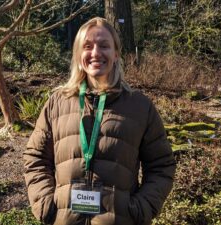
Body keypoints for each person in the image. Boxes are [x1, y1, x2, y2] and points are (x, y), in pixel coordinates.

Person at [23, 17, 176, 225]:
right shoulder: (57, 103)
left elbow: (162, 165)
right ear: (78, 55)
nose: (95, 53)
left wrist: (138, 210)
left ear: (116, 53)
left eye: (104, 45)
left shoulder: (140, 106)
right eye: (87, 46)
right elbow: (36, 158)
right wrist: (46, 205)